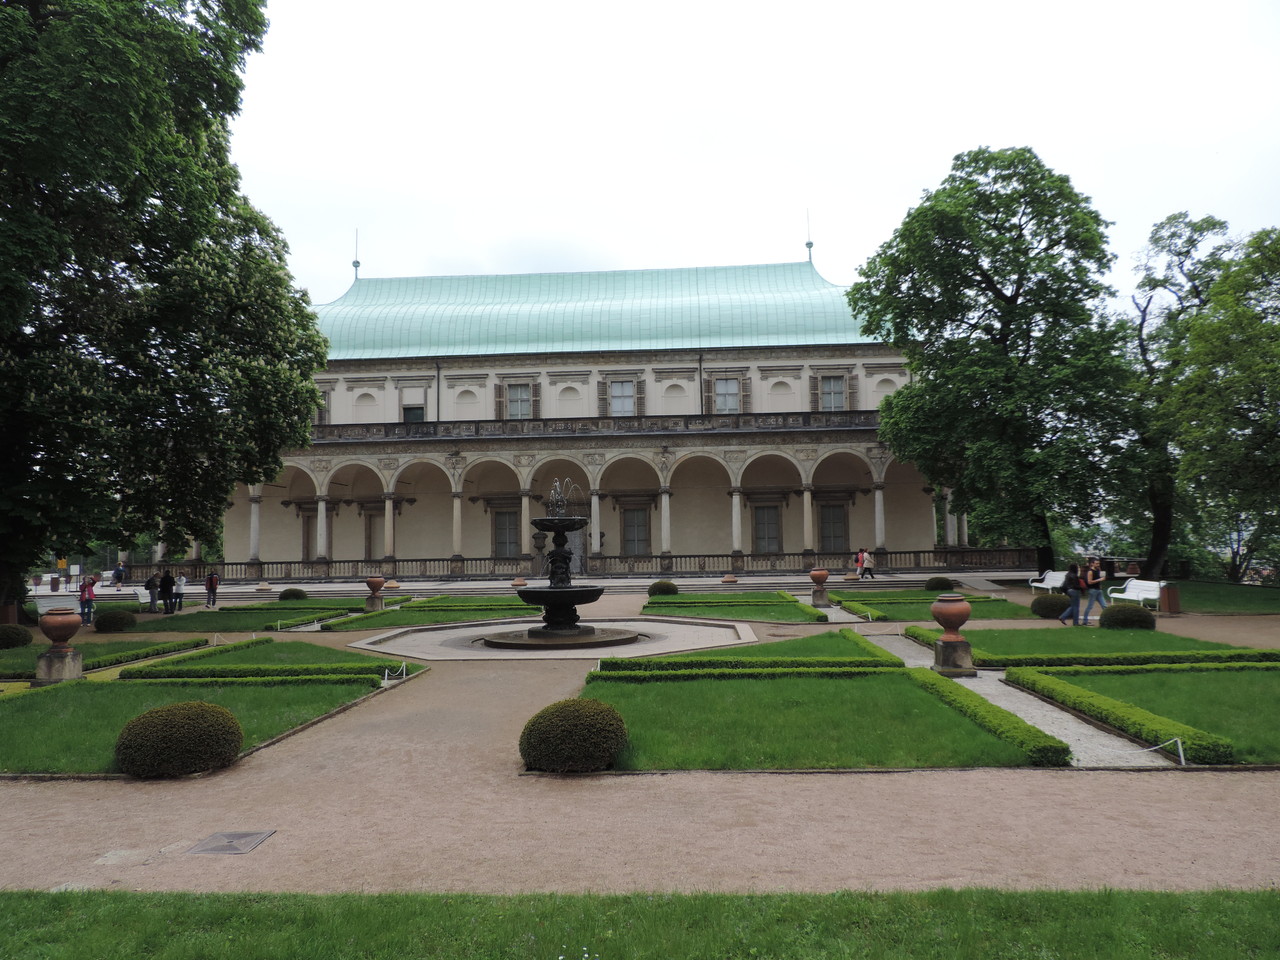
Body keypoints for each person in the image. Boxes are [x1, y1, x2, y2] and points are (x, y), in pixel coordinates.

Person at [1082, 557, 1107, 626]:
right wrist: (1100, 580)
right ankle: (1085, 621)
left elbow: (1097, 578)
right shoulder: (1090, 572)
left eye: (1098, 563)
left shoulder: (1098, 570)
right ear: (1092, 564)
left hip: (1099, 590)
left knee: (1104, 605)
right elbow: (1089, 582)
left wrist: (1100, 584)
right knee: (1090, 606)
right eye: (1096, 563)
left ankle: (1107, 619)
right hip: (1093, 590)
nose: (1098, 565)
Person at [1057, 562, 1084, 626]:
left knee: (1072, 606)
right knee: (1076, 607)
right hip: (1074, 591)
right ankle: (1075, 622)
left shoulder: (1068, 574)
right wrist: (1082, 588)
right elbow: (1076, 586)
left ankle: (1063, 617)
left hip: (1068, 591)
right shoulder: (1074, 576)